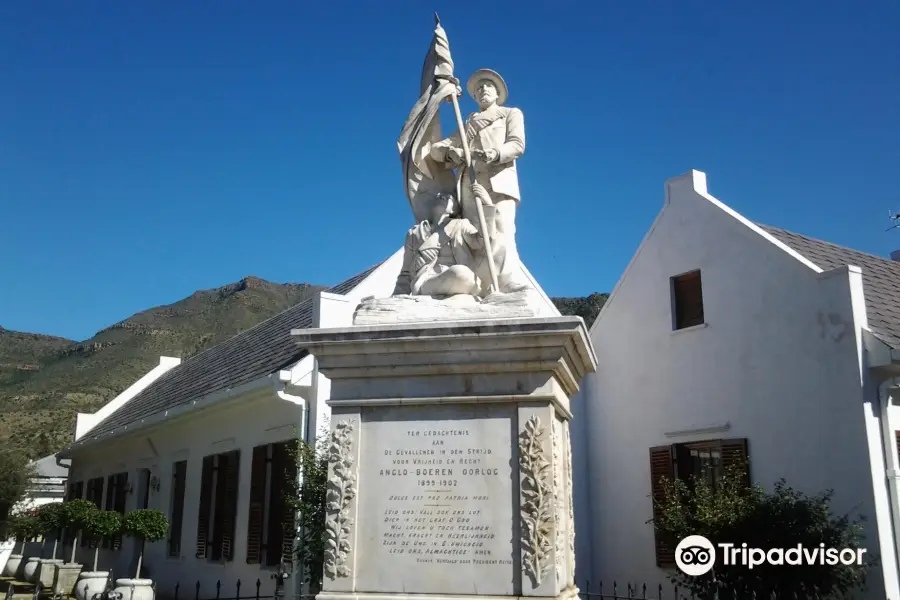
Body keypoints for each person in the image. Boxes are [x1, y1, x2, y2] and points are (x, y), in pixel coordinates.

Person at [428, 68, 528, 293]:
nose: (483, 90)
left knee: (501, 230)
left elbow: (517, 144)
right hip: (470, 184)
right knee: (476, 236)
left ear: (497, 92)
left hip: (498, 181)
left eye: (488, 86)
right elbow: (438, 149)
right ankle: (481, 285)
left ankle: (507, 281)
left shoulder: (510, 113)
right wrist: (450, 154)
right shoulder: (468, 125)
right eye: (479, 88)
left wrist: (494, 154)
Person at [393, 182, 497, 298]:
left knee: (462, 274)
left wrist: (488, 206)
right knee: (460, 274)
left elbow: (483, 242)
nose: (441, 196)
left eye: (449, 197)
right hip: (427, 280)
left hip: (459, 274)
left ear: (454, 209)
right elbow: (406, 272)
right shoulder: (416, 233)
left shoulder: (460, 225)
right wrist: (398, 295)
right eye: (439, 196)